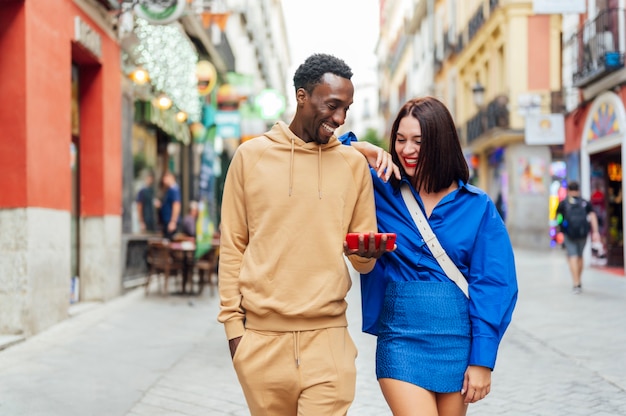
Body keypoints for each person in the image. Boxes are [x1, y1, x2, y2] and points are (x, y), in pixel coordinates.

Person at [217, 53, 394, 416]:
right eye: (332, 105)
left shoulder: (352, 165)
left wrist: (368, 253)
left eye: (347, 108)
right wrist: (235, 332)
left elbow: (360, 263)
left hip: (328, 340)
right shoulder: (250, 157)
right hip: (261, 342)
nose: (341, 118)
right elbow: (233, 246)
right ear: (302, 96)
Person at [342, 96, 518, 416]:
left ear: (441, 143)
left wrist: (482, 360)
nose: (407, 149)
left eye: (418, 141)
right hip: (400, 339)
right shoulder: (380, 188)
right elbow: (321, 148)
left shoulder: (477, 206)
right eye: (400, 139)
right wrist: (363, 147)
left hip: (458, 340)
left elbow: (494, 284)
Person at [556, 181, 600, 294]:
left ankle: (576, 283)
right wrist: (595, 232)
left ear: (568, 190)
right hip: (583, 234)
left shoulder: (563, 203)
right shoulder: (585, 202)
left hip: (568, 234)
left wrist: (560, 229)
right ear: (578, 190)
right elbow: (593, 216)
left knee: (572, 257)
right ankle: (578, 280)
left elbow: (558, 217)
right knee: (580, 256)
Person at [158, 171, 181, 240]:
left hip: (170, 222)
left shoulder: (174, 190)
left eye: (166, 178)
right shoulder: (168, 190)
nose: (164, 180)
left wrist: (173, 221)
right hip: (166, 221)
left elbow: (176, 205)